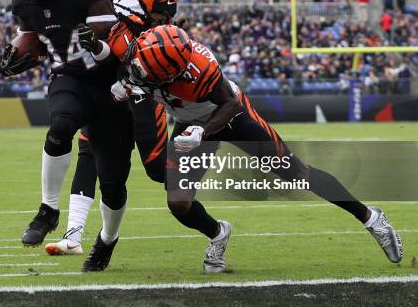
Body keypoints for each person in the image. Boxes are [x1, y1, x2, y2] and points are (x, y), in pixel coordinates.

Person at [113, 25, 403, 272]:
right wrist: (125, 88)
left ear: (170, 72)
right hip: (190, 123)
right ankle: (218, 234)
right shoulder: (148, 52)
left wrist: (203, 131)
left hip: (228, 117)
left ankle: (370, 217)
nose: (137, 67)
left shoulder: (200, 70)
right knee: (179, 203)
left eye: (144, 69)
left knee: (295, 172)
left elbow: (231, 103)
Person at [0, 0, 148, 271]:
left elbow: (110, 35)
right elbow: (32, 36)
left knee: (112, 185)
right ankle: (48, 210)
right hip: (69, 76)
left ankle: (107, 239)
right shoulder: (24, 0)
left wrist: (92, 37)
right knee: (60, 126)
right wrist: (19, 54)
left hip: (110, 84)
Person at [44, 0, 175, 256]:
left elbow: (149, 41)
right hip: (104, 87)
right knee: (88, 153)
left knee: (158, 170)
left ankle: (209, 175)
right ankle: (73, 235)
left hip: (140, 89)